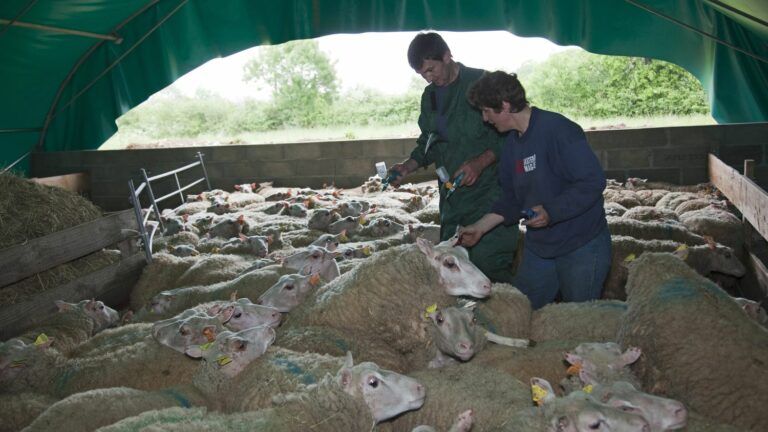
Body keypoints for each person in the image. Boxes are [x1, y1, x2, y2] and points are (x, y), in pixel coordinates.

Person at [458, 71, 611, 309]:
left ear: (505, 106)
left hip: (581, 244)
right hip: (540, 247)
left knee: (579, 320)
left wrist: (551, 211)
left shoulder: (559, 130)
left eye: (487, 111)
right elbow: (510, 199)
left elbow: (592, 181)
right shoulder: (511, 145)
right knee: (519, 310)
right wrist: (479, 228)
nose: (485, 119)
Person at [389, 32, 519, 283]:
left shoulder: (484, 83)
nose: (429, 77)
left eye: (431, 69)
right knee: (452, 273)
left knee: (490, 272)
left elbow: (511, 133)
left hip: (489, 197)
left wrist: (480, 163)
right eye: (422, 74)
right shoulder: (431, 97)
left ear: (447, 56)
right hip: (452, 201)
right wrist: (409, 166)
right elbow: (430, 140)